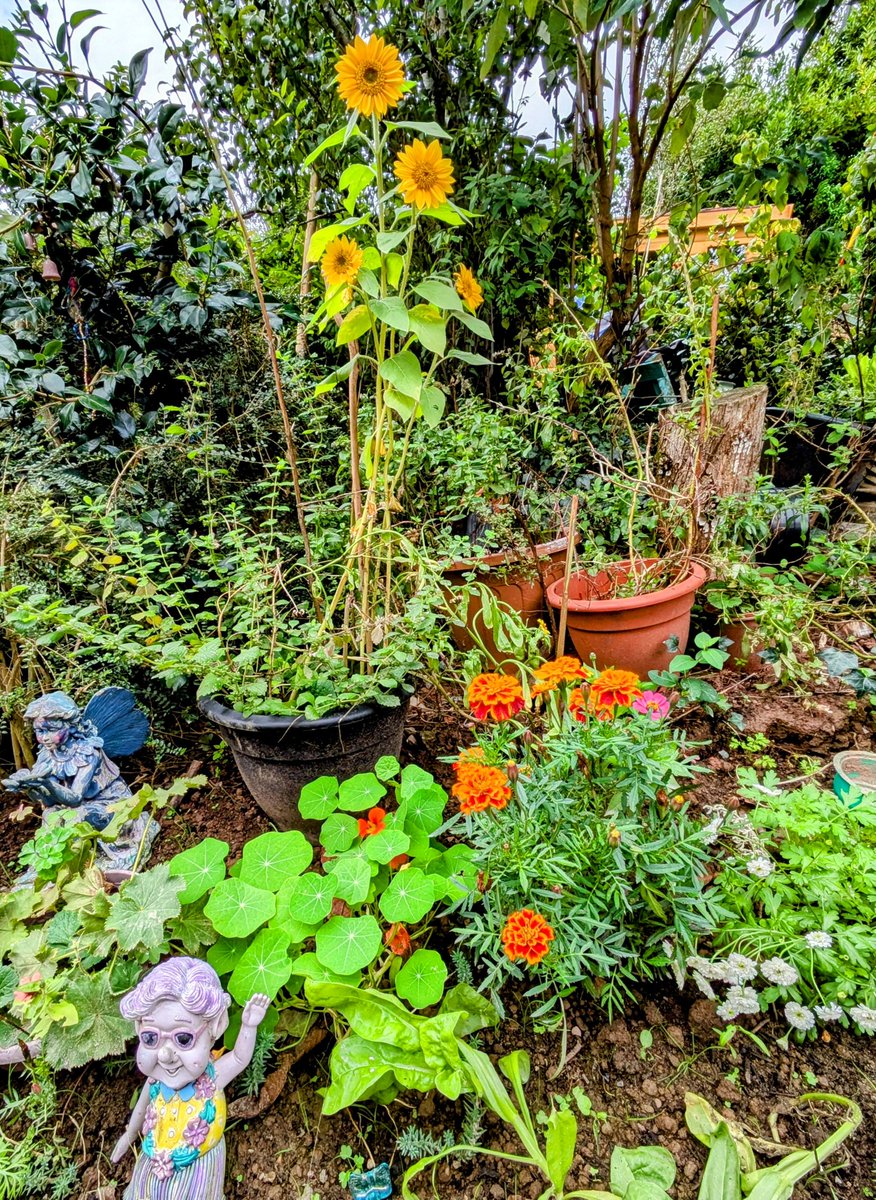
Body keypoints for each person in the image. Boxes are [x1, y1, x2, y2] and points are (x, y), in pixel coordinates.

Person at [111, 957, 270, 1198]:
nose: (164, 1055)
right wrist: (130, 1134)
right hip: (154, 1157)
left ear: (214, 1028)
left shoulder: (212, 1077)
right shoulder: (156, 1081)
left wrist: (249, 1026)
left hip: (199, 1164)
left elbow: (239, 1058)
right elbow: (142, 1110)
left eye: (183, 1039)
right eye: (150, 1038)